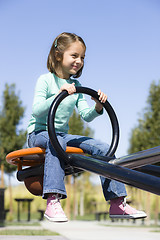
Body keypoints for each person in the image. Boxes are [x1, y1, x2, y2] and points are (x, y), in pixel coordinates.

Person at [27, 32, 147, 222]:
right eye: (74, 56)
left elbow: (86, 115)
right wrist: (58, 94)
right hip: (39, 133)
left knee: (103, 148)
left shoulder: (76, 85)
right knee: (55, 140)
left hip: (61, 135)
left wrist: (98, 106)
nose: (79, 61)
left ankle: (117, 202)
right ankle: (53, 200)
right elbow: (37, 111)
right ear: (58, 55)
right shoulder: (46, 80)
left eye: (82, 57)